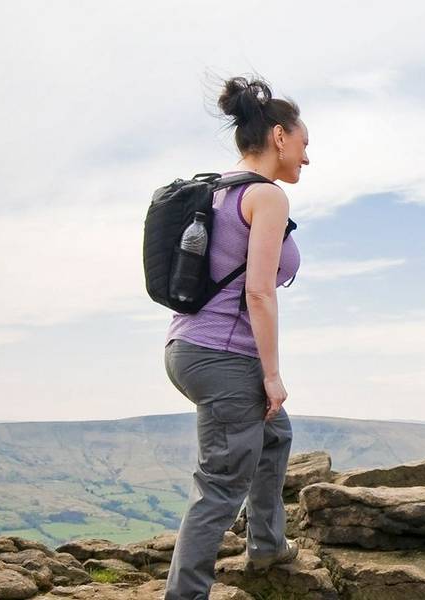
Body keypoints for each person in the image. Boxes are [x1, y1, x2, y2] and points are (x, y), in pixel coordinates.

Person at [161, 74, 309, 600]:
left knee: (276, 434)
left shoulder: (219, 190)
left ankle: (267, 543)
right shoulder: (266, 197)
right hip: (226, 356)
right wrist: (271, 374)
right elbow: (259, 294)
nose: (306, 159)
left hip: (188, 348)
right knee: (220, 488)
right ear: (278, 137)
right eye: (304, 144)